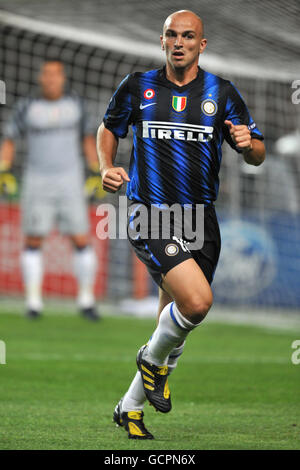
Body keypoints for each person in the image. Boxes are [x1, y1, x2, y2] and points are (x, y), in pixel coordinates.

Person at [97, 10, 265, 439]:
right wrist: (105, 165)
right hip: (150, 212)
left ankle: (130, 406)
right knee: (195, 303)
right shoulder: (137, 86)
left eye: (188, 36)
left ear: (201, 45)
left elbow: (257, 150)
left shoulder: (221, 93)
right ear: (162, 40)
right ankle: (150, 361)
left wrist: (249, 146)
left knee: (174, 325)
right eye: (171, 35)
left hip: (200, 219)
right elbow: (107, 129)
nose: (179, 42)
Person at [0, 58, 100, 320]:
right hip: (37, 180)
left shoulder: (75, 105)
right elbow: (10, 139)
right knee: (33, 239)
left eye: (56, 74)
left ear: (63, 78)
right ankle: (33, 303)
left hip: (70, 180)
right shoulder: (27, 107)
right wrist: (4, 169)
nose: (52, 79)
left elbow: (89, 138)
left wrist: (95, 170)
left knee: (81, 238)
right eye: (47, 74)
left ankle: (86, 301)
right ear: (40, 78)